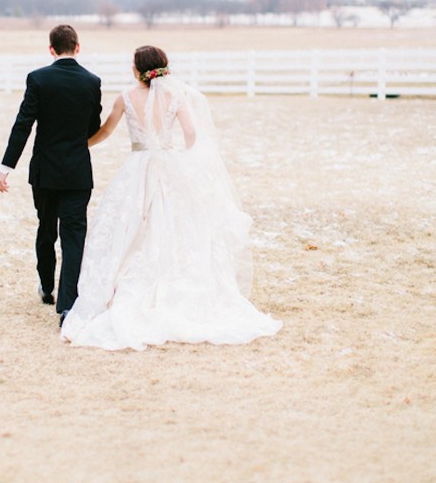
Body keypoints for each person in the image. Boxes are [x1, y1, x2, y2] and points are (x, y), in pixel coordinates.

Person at [61, 45, 282, 350]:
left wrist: (81, 144)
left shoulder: (124, 97)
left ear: (137, 70)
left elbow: (106, 131)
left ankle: (118, 287)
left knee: (131, 224)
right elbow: (192, 134)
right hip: (168, 165)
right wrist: (177, 151)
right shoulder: (176, 97)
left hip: (137, 167)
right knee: (175, 225)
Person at [0, 25, 102, 323]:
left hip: (44, 171)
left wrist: (6, 167)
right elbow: (92, 127)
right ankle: (68, 304)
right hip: (78, 171)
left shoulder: (38, 79)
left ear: (51, 49)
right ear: (77, 47)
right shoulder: (92, 82)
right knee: (73, 235)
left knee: (46, 227)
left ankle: (46, 285)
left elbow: (23, 124)